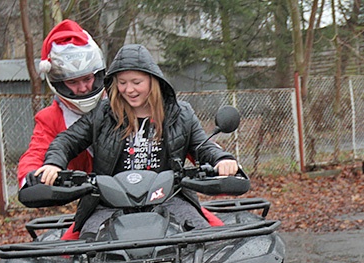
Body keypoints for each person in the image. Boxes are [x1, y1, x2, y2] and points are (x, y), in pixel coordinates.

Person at [36, 44, 237, 237]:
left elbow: (203, 146)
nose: (129, 90)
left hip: (169, 198)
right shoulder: (103, 114)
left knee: (206, 240)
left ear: (153, 80)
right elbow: (67, 140)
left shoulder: (180, 114)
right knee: (84, 250)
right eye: (122, 83)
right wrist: (54, 163)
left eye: (136, 82)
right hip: (109, 204)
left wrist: (222, 159)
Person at [17, 20, 106, 189]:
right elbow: (37, 152)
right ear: (59, 83)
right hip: (91, 200)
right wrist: (33, 177)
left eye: (87, 78)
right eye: (72, 82)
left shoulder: (122, 104)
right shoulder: (51, 119)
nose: (83, 88)